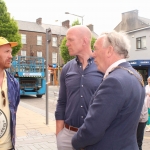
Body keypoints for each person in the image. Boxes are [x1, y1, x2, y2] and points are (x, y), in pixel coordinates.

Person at [72, 31, 145, 150]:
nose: (92, 54)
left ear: (109, 51)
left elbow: (92, 129)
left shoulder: (114, 81)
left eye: (95, 49)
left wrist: (74, 142)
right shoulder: (136, 76)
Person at [55, 25, 103, 150]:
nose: (67, 44)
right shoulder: (67, 68)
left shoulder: (102, 67)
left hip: (94, 137)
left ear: (85, 41)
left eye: (70, 40)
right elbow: (62, 102)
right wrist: (59, 134)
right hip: (67, 137)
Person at [0, 37, 20, 150]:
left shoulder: (14, 83)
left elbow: (14, 110)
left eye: (10, 52)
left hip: (8, 146)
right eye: (6, 52)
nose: (10, 56)